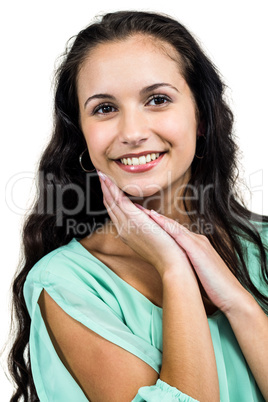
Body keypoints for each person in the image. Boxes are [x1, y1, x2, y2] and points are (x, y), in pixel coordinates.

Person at [8, 10, 268, 402]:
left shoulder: (263, 247)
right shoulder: (65, 284)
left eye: (158, 100)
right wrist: (174, 269)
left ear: (201, 117)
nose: (132, 133)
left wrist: (239, 304)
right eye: (104, 108)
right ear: (81, 134)